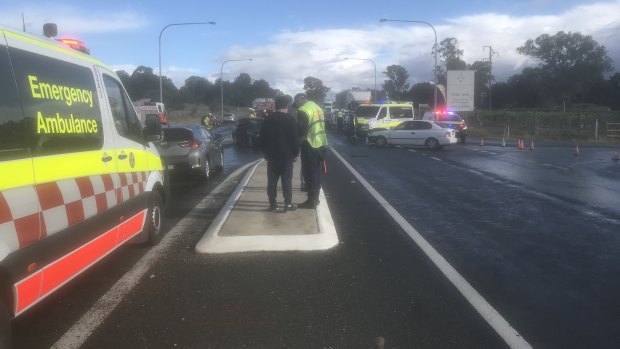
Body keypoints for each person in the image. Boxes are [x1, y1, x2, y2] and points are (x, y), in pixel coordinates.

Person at [259, 95, 299, 212]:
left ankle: (273, 204)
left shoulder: (268, 119)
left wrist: (265, 153)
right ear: (286, 106)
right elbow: (294, 139)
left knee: (272, 181)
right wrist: (295, 153)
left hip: (272, 156)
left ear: (275, 106)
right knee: (287, 180)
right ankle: (288, 204)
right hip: (287, 156)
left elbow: (262, 138)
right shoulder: (291, 120)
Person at [293, 93, 327, 209]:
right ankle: (315, 199)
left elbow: (301, 132)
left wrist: (295, 149)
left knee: (309, 173)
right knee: (316, 172)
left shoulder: (303, 110)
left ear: (300, 100)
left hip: (310, 144)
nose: (296, 106)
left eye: (296, 103)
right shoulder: (318, 107)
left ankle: (311, 201)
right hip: (321, 143)